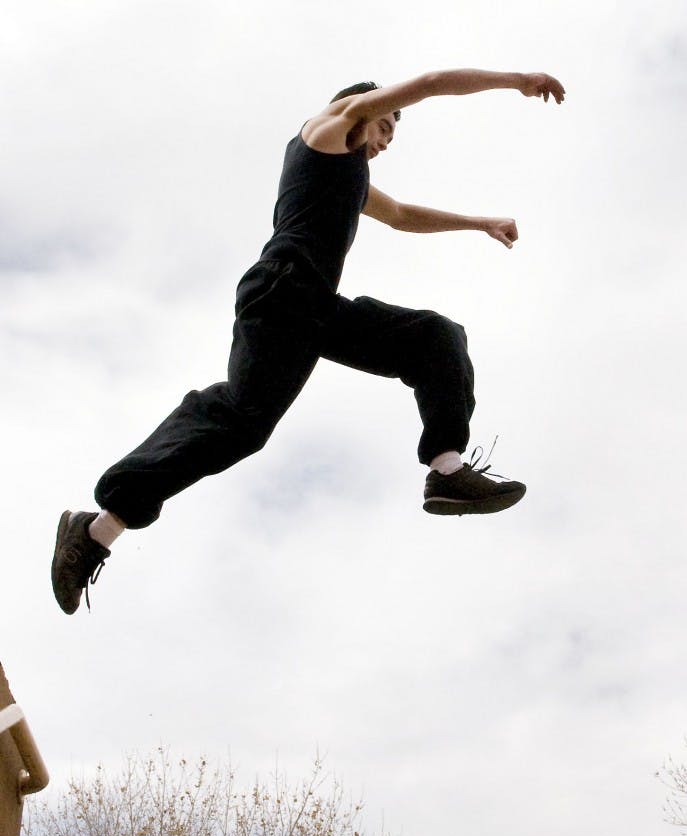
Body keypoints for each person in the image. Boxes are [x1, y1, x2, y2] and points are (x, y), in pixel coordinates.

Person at [51, 67, 565, 614]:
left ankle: (446, 472)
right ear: (360, 108)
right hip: (281, 292)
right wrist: (516, 80)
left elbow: (401, 215)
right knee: (242, 420)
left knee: (434, 339)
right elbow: (432, 83)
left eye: (392, 132)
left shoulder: (350, 177)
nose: (387, 137)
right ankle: (95, 530)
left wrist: (478, 222)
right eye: (386, 123)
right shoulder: (326, 129)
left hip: (315, 306)